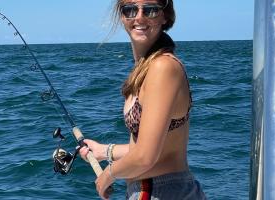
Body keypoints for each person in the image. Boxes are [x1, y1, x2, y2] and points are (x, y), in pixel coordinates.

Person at [79, 0, 206, 199]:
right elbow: (153, 146)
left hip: (160, 191)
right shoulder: (146, 68)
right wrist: (105, 151)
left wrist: (107, 175)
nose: (139, 17)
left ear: (165, 16)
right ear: (122, 16)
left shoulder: (163, 67)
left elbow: (145, 156)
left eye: (150, 10)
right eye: (130, 9)